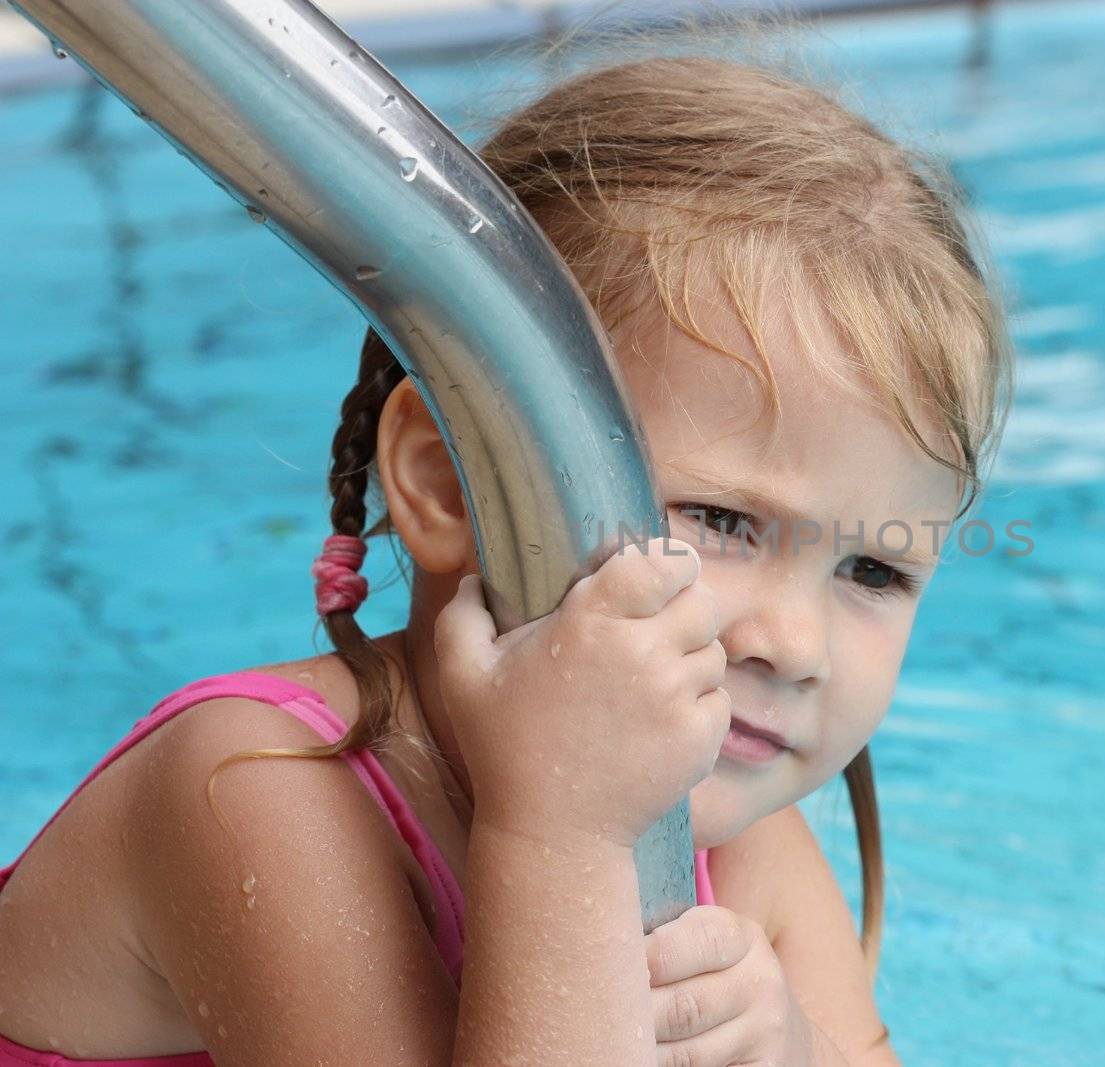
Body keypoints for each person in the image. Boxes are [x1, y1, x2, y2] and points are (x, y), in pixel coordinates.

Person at [0, 52, 1012, 1065]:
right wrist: (561, 837)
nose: (795, 643)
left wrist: (795, 1049)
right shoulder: (255, 791)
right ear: (450, 482)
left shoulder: (742, 842)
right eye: (722, 520)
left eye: (874, 570)